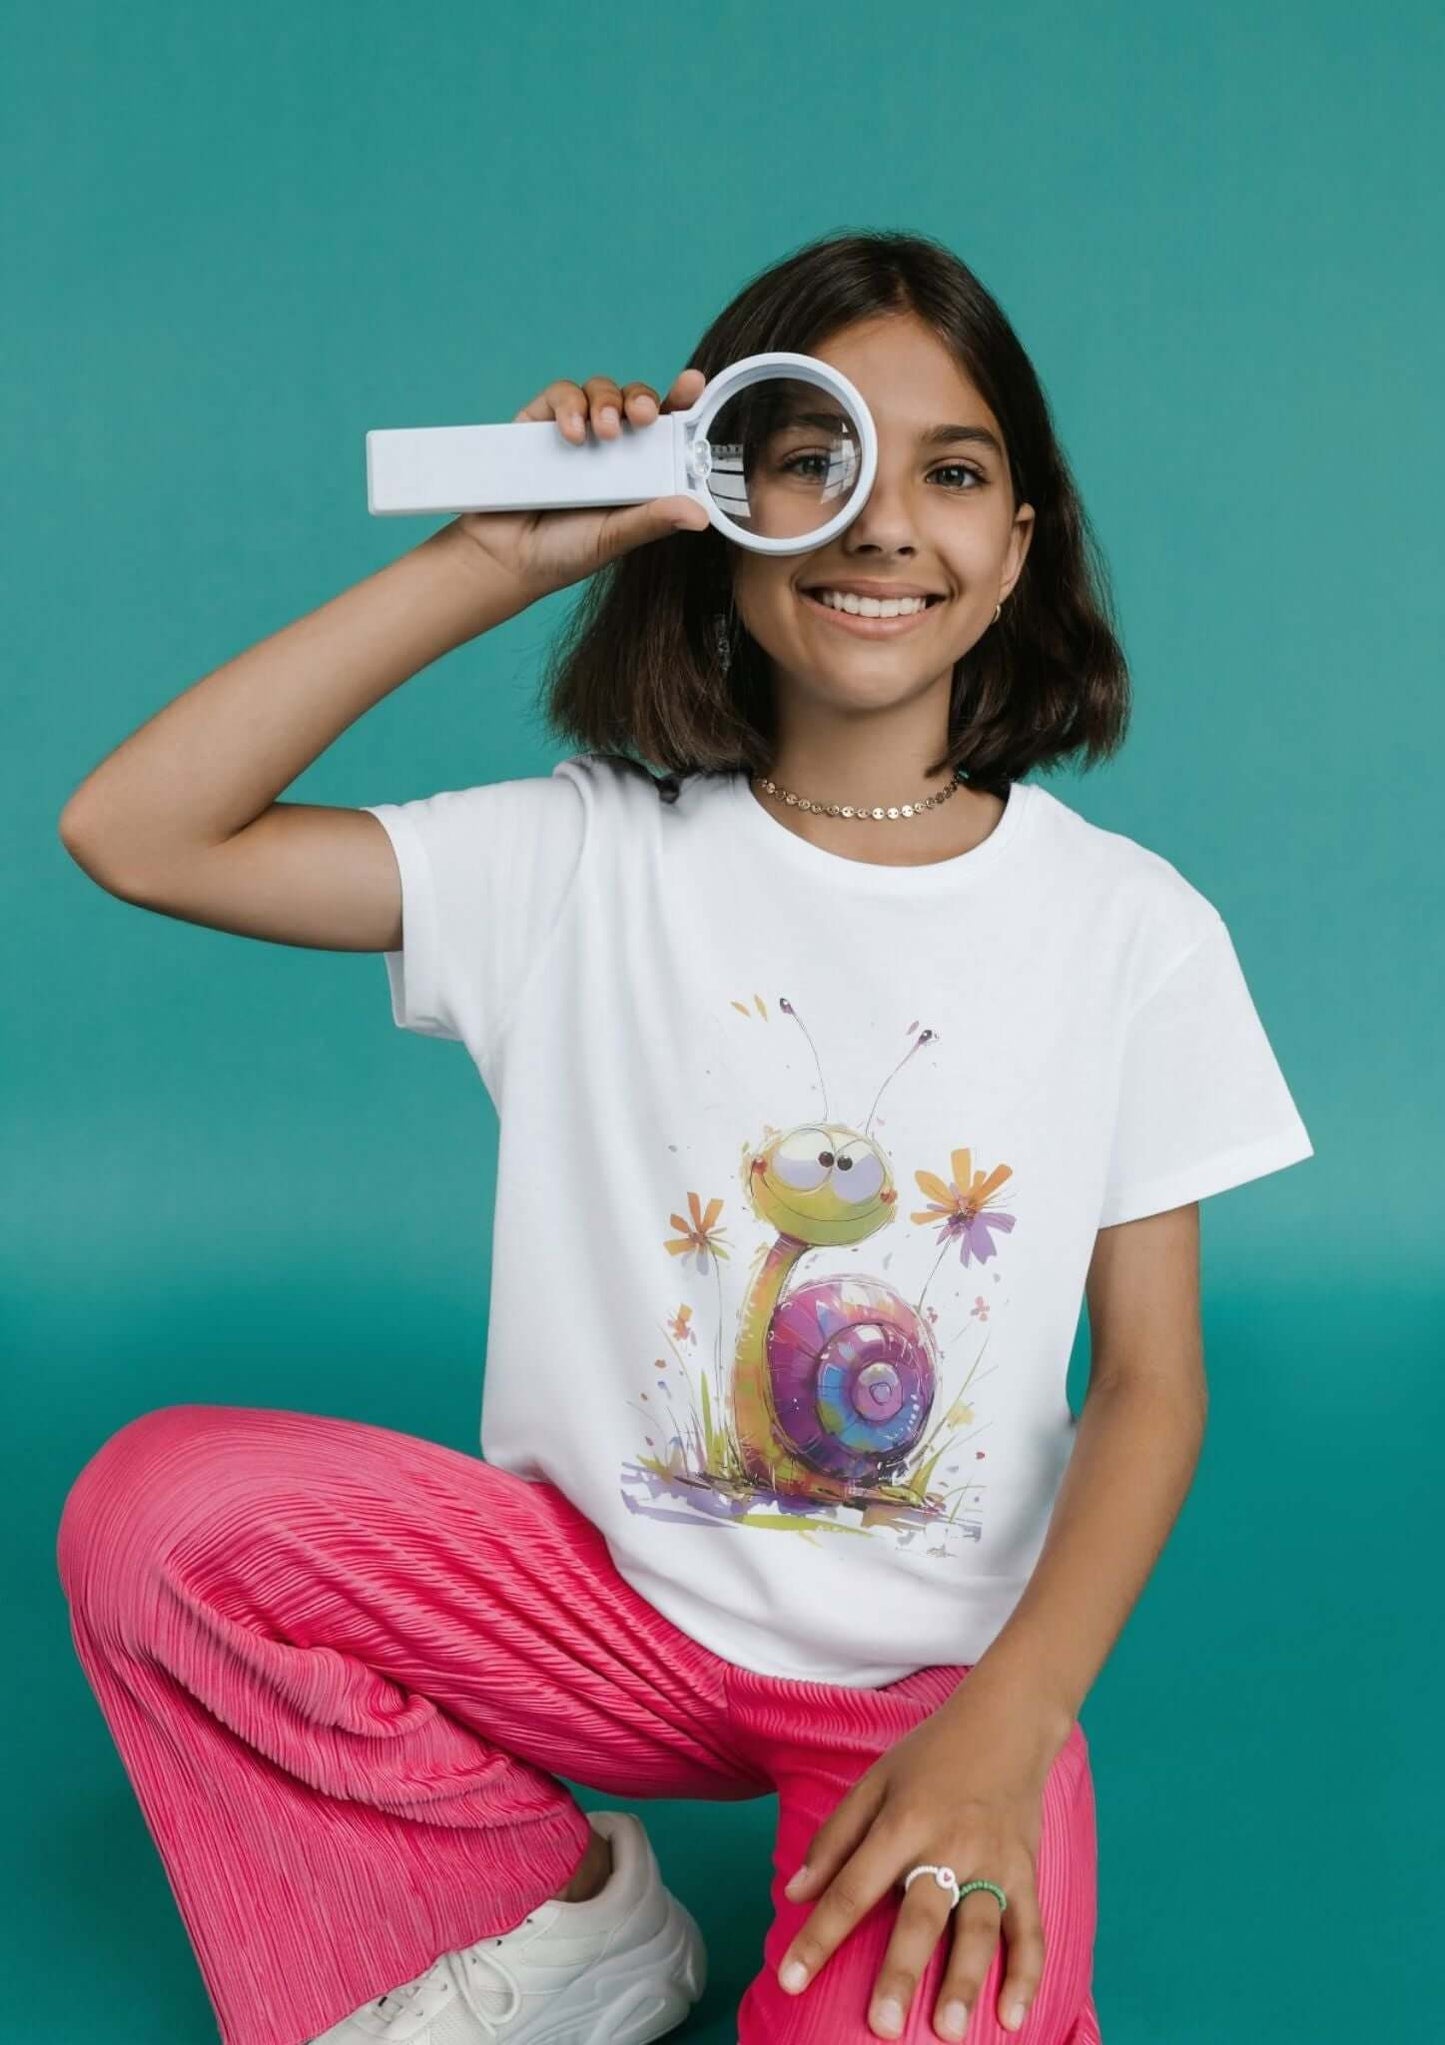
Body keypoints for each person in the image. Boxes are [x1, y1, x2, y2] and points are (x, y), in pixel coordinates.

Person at [54, 229, 1314, 2045]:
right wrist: (495, 559)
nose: (886, 522)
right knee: (159, 1519)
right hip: (588, 1617)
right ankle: (554, 1914)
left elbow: (1151, 1383)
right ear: (713, 508)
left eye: (951, 472)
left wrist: (1012, 1720)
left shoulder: (1133, 930)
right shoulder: (578, 860)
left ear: (1021, 542)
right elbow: (138, 830)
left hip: (930, 1687)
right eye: (815, 460)